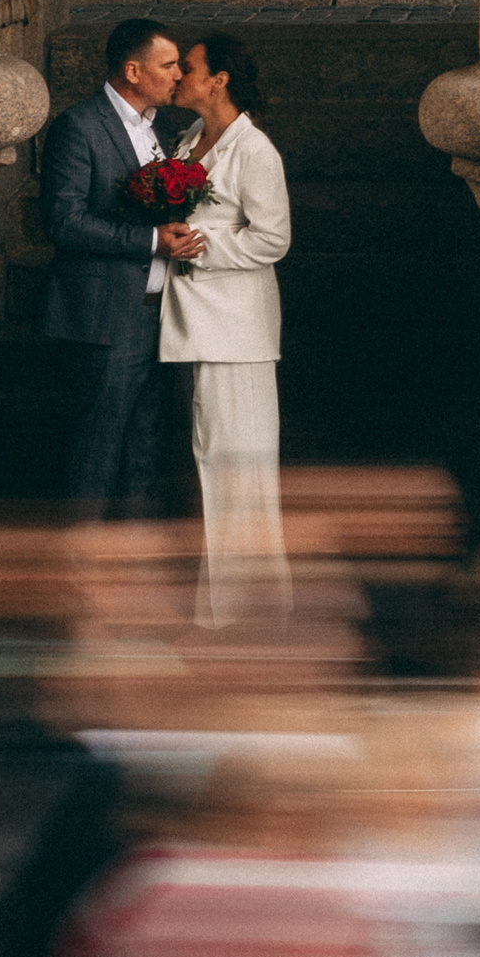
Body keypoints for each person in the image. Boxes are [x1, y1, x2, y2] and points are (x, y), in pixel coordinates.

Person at [158, 35, 291, 623]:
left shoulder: (254, 150)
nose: (177, 76)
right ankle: (218, 606)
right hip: (193, 322)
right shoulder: (188, 139)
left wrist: (200, 245)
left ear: (220, 80)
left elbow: (273, 238)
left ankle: (245, 612)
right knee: (209, 458)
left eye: (187, 68)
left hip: (236, 331)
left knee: (237, 465)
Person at [37, 17, 185, 518]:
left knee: (146, 445)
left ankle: (132, 562)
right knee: (97, 447)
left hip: (159, 313)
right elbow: (63, 221)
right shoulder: (79, 126)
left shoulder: (164, 129)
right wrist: (151, 239)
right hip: (103, 317)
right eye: (168, 65)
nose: (179, 74)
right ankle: (80, 566)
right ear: (132, 69)